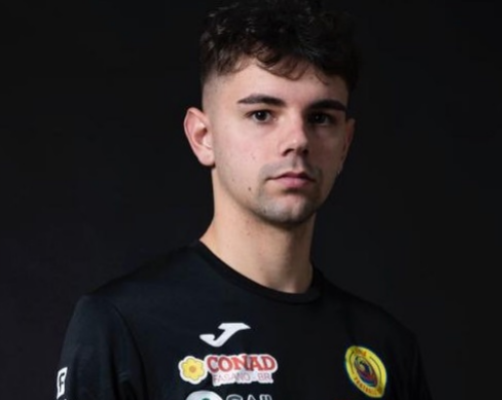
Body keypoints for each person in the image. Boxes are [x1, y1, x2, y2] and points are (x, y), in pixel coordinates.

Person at [55, 0, 433, 399]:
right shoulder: (122, 324)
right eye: (262, 114)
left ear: (345, 144)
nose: (298, 140)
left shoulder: (386, 347)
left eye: (320, 118)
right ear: (203, 137)